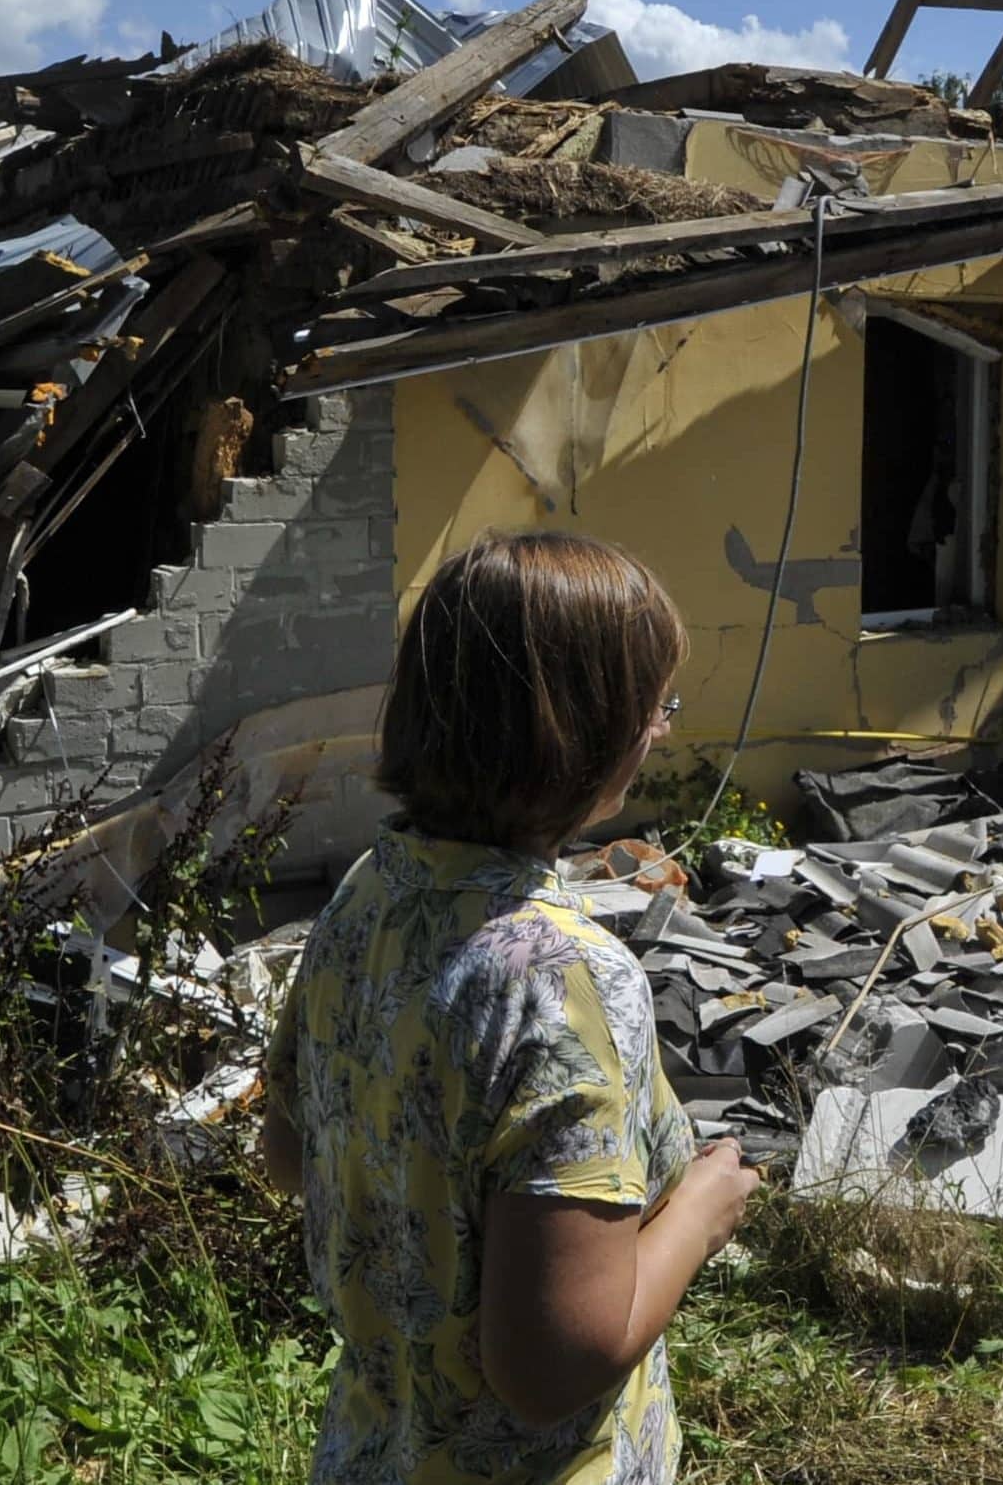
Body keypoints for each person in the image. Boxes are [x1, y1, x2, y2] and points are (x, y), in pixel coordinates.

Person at [262, 530, 762, 1485]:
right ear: (577, 728)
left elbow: (291, 1155)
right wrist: (701, 1207)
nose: (661, 730)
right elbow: (550, 1365)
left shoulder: (369, 891)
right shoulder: (566, 978)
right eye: (653, 706)